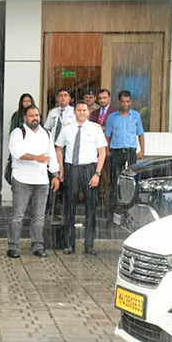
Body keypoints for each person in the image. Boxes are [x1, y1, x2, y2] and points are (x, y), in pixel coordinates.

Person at [7, 105, 60, 259]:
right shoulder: (18, 133)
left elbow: (52, 156)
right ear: (25, 118)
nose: (35, 118)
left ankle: (38, 245)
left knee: (39, 216)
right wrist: (38, 158)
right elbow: (18, 153)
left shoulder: (46, 134)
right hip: (22, 180)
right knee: (18, 215)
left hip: (42, 181)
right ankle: (13, 246)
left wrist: (55, 175)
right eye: (31, 116)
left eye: (37, 115)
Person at [55, 101, 107, 255]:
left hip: (90, 169)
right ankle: (69, 244)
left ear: (88, 112)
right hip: (72, 168)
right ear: (75, 112)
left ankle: (89, 245)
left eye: (84, 110)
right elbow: (59, 148)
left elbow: (102, 152)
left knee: (91, 208)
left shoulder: (95, 129)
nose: (82, 113)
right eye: (79, 110)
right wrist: (61, 169)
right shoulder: (67, 128)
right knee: (69, 207)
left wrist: (97, 174)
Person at [105, 90, 146, 213]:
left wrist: (142, 149)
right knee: (115, 181)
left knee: (131, 181)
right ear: (119, 102)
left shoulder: (136, 116)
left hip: (130, 152)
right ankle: (114, 210)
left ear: (131, 102)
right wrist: (107, 150)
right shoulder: (112, 117)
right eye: (123, 101)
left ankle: (130, 209)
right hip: (116, 152)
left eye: (127, 101)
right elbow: (107, 135)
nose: (125, 104)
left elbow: (140, 134)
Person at [90, 89, 118, 203]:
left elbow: (117, 128)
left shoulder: (115, 112)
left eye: (104, 98)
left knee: (110, 176)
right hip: (96, 148)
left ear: (109, 98)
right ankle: (98, 199)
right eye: (100, 98)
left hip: (111, 147)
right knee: (97, 173)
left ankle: (108, 200)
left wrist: (105, 129)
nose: (102, 100)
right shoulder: (94, 113)